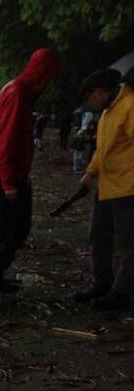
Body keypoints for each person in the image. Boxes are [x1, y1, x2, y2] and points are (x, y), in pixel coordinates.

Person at [0, 47, 61, 308]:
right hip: (5, 177)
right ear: (43, 73)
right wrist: (9, 181)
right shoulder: (16, 93)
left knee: (17, 231)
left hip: (10, 175)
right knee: (4, 233)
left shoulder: (21, 93)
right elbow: (5, 140)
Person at [74, 68, 134, 310]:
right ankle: (102, 283)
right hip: (107, 186)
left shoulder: (129, 106)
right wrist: (89, 174)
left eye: (91, 97)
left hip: (128, 187)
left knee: (129, 244)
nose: (91, 103)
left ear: (101, 91)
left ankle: (121, 293)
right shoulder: (107, 112)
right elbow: (102, 150)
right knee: (98, 236)